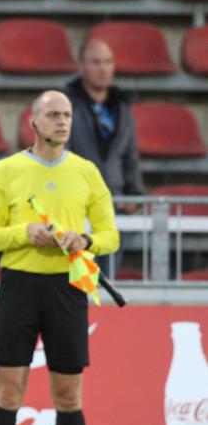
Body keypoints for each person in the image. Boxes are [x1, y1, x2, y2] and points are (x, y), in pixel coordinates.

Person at [0, 90, 119, 425]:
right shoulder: (9, 170)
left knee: (69, 395)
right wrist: (24, 233)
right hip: (19, 286)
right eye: (53, 114)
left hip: (69, 287)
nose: (61, 121)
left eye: (67, 114)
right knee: (9, 389)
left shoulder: (86, 172)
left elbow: (111, 234)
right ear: (32, 122)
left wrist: (86, 239)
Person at [65, 39, 143, 274]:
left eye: (108, 62)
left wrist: (135, 194)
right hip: (76, 203)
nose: (103, 68)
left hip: (114, 203)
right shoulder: (67, 103)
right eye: (96, 62)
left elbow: (130, 156)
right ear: (82, 65)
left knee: (105, 273)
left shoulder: (121, 106)